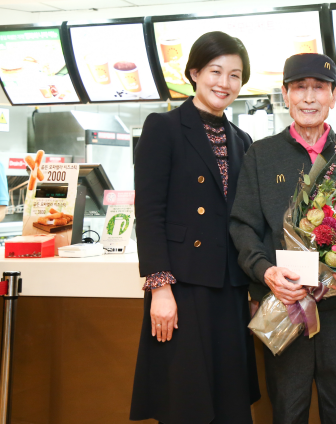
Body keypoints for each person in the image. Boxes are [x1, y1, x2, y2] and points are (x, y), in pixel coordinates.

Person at [230, 53, 336, 424]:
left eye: (319, 88)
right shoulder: (260, 155)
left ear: (334, 96)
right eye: (300, 88)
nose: (309, 97)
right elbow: (243, 225)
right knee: (287, 412)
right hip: (286, 305)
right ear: (285, 95)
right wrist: (265, 273)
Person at [130, 31, 260, 424]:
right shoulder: (163, 128)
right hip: (183, 287)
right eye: (215, 71)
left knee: (229, 405)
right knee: (186, 403)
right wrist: (160, 289)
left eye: (235, 75)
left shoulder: (242, 139)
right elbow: (149, 213)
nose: (224, 83)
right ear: (194, 72)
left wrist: (254, 287)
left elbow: (245, 220)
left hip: (229, 289)